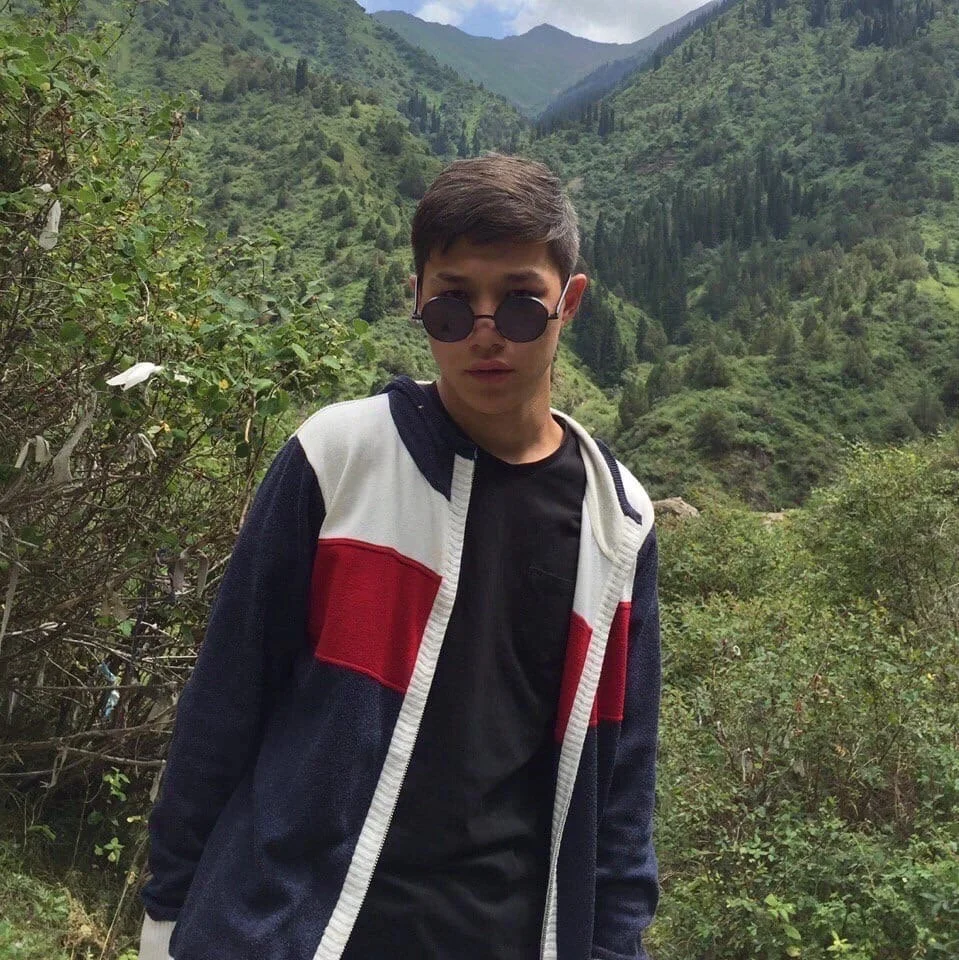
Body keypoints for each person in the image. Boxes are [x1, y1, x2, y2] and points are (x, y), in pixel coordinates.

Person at [138, 153, 661, 960]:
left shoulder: (615, 519)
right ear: (416, 300)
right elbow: (226, 700)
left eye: (519, 304)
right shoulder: (340, 457)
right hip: (292, 930)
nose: (485, 332)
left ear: (571, 301)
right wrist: (167, 914)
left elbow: (620, 784)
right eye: (452, 306)